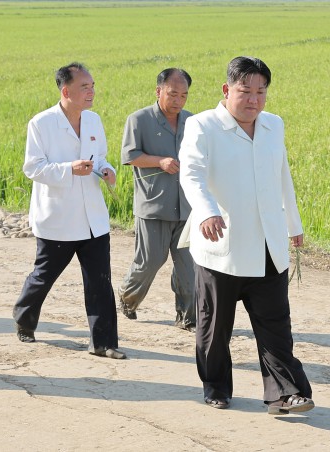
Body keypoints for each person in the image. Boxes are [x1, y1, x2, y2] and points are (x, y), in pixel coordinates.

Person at [178, 56, 313, 414]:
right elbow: (191, 174)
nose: (253, 99)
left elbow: (282, 174)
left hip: (268, 246)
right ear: (226, 90)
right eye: (245, 91)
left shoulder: (273, 125)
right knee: (214, 327)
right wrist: (206, 211)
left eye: (261, 91)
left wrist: (293, 225)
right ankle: (216, 386)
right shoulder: (204, 126)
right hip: (222, 245)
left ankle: (286, 394)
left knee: (276, 329)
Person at [12, 62, 125, 360]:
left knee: (100, 280)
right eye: (84, 87)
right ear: (66, 91)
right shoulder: (42, 123)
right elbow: (33, 168)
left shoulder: (93, 120)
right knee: (44, 275)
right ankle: (24, 316)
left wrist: (106, 170)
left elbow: (99, 157)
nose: (91, 92)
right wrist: (68, 169)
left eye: (92, 86)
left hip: (92, 218)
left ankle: (103, 342)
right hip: (59, 218)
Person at [117, 68, 195, 330]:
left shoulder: (192, 121)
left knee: (189, 268)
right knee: (149, 261)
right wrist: (159, 162)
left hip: (187, 208)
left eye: (184, 95)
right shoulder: (139, 119)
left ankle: (187, 317)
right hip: (154, 205)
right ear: (158, 91)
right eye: (173, 94)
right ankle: (128, 298)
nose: (178, 101)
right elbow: (130, 155)